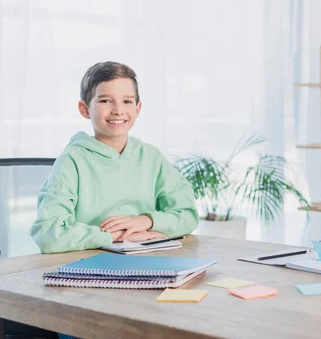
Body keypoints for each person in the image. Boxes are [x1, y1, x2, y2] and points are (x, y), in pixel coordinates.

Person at [31, 62, 199, 254]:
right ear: (85, 109)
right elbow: (49, 234)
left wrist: (147, 221)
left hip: (146, 259)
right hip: (86, 265)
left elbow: (188, 216)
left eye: (127, 101)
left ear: (138, 108)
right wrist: (117, 236)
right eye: (105, 101)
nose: (118, 110)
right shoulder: (72, 161)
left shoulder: (151, 157)